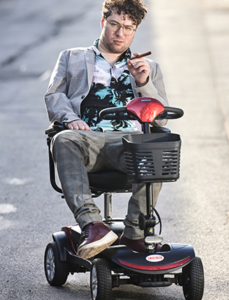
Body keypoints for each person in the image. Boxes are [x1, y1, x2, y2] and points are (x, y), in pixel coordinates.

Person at [44, 0, 168, 260]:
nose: (120, 33)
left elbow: (162, 118)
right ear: (103, 23)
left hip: (131, 144)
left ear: (135, 32)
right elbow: (54, 95)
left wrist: (143, 83)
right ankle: (93, 226)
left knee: (158, 146)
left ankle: (135, 231)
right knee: (63, 139)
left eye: (128, 27)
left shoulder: (149, 68)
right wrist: (69, 119)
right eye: (114, 24)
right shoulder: (72, 56)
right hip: (88, 139)